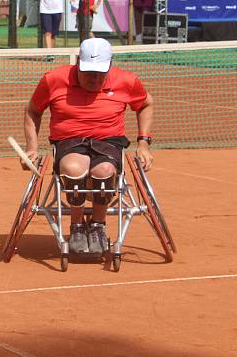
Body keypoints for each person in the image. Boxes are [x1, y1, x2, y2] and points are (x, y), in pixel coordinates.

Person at [21, 38, 154, 255]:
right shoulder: (54, 79)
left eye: (100, 73)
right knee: (74, 168)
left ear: (110, 65)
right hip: (69, 141)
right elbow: (32, 110)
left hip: (109, 142)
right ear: (78, 64)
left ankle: (97, 226)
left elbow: (146, 103)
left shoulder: (126, 81)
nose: (93, 78)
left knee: (104, 171)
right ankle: (76, 227)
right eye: (88, 71)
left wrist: (143, 142)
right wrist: (31, 148)